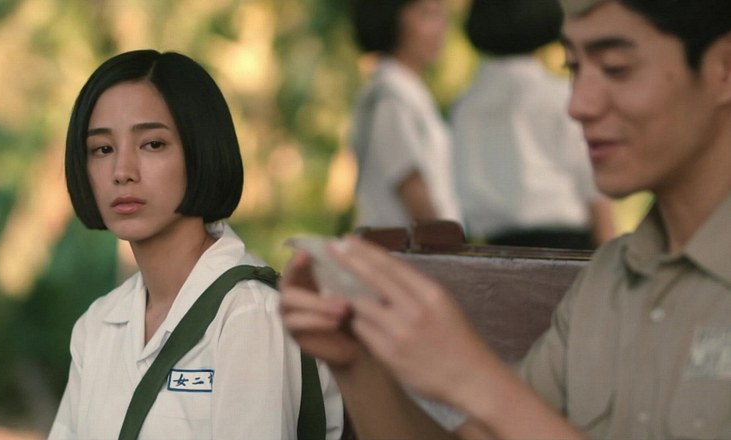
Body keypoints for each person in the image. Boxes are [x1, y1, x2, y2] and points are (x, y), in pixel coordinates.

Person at [281, 0, 731, 438]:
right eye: (573, 68)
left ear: (724, 70)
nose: (578, 104)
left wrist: (474, 377)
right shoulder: (605, 284)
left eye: (616, 68)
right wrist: (357, 365)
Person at [48, 50, 343, 440]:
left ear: (200, 150)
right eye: (102, 149)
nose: (122, 172)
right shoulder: (98, 325)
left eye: (153, 144)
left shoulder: (250, 315)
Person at [451, 0, 615, 249]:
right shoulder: (558, 96)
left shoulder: (465, 106)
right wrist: (610, 248)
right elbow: (591, 184)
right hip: (567, 243)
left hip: (494, 248)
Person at [348, 0, 463, 229]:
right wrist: (446, 243)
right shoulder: (390, 97)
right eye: (427, 14)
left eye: (441, 14)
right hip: (407, 246)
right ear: (392, 19)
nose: (441, 26)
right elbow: (412, 188)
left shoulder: (409, 90)